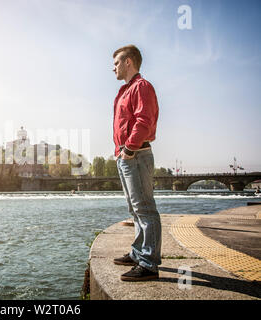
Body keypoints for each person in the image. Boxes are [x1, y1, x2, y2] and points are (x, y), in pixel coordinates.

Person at [111, 45, 161, 281]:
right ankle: (138, 252)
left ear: (128, 62)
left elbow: (144, 119)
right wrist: (121, 152)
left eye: (116, 63)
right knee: (135, 209)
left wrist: (130, 148)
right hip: (126, 156)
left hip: (136, 154)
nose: (114, 68)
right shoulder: (124, 90)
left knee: (145, 208)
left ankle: (149, 264)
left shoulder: (142, 86)